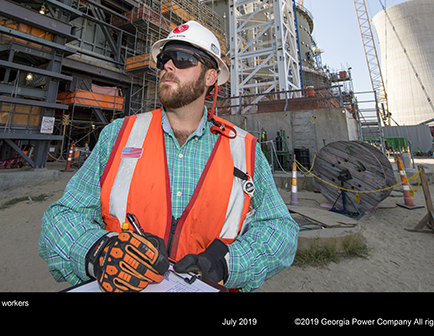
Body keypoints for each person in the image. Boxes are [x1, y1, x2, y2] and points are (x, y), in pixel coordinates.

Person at [39, 21, 298, 292]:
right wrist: (99, 253)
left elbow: (279, 229)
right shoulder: (118, 136)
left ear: (210, 77)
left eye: (183, 59)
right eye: (164, 59)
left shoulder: (244, 150)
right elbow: (62, 216)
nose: (168, 67)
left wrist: (226, 265)